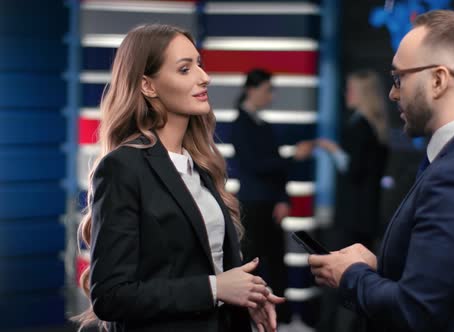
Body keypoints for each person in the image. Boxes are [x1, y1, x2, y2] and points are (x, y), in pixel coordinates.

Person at [308, 10, 454, 332]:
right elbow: (446, 284)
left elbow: (415, 311)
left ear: (438, 80)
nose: (392, 93)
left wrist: (350, 276)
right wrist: (375, 268)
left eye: (399, 78)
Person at [73, 24, 283, 332]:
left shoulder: (199, 165)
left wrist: (245, 294)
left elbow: (204, 266)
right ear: (148, 86)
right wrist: (215, 288)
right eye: (185, 69)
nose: (204, 77)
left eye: (199, 64)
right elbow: (110, 296)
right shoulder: (122, 168)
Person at [230, 68, 315, 324]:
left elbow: (275, 169)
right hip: (252, 205)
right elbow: (257, 164)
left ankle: (281, 317)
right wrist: (291, 158)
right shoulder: (240, 125)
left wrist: (283, 199)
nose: (271, 96)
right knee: (253, 263)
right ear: (251, 90)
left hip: (270, 204)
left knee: (277, 263)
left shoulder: (264, 125)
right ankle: (247, 317)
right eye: (268, 90)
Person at [314, 70, 389, 332]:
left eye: (351, 89)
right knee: (360, 281)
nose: (347, 94)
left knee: (335, 278)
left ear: (362, 94)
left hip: (350, 219)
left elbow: (353, 169)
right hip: (365, 218)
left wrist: (331, 149)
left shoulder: (359, 128)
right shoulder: (376, 129)